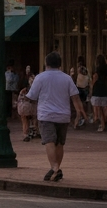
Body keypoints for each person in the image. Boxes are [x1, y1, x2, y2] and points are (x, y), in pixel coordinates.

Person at [25, 51, 84, 182]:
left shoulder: (40, 78)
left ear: (46, 63)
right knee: (59, 143)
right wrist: (79, 112)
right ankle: (56, 169)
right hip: (63, 115)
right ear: (60, 64)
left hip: (46, 115)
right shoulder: (67, 78)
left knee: (49, 141)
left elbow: (32, 96)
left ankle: (54, 167)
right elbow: (75, 97)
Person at [90, 55, 107, 132]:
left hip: (97, 89)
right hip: (106, 88)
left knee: (98, 107)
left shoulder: (97, 69)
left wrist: (91, 88)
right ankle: (104, 121)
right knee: (106, 106)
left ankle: (101, 122)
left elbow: (95, 78)